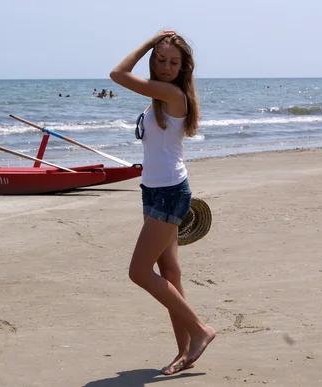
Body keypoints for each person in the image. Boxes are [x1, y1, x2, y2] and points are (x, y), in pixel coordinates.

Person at [110, 30, 215, 375]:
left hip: (169, 191)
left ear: (184, 67)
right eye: (161, 59)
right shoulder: (157, 97)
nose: (166, 66)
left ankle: (200, 330)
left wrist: (148, 42)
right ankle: (185, 351)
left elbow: (118, 75)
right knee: (169, 272)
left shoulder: (170, 92)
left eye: (173, 61)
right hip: (154, 189)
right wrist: (154, 47)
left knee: (139, 272)